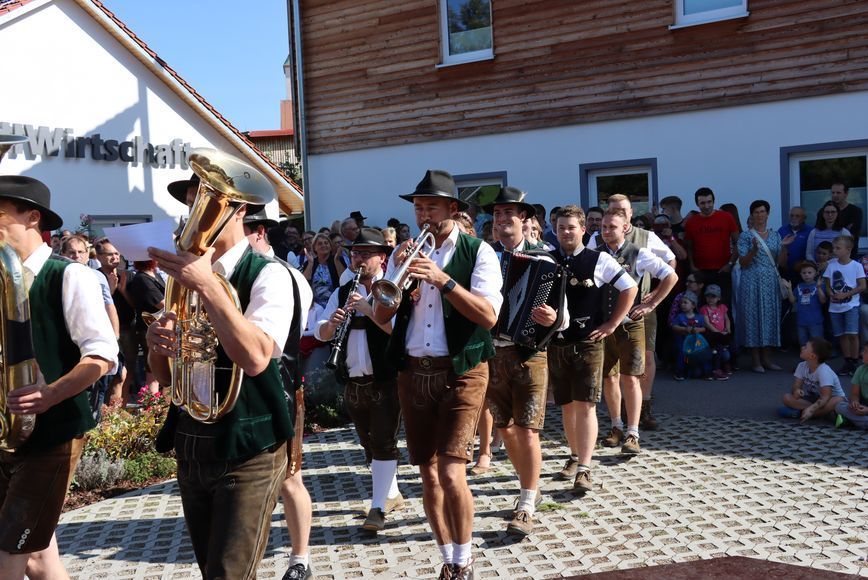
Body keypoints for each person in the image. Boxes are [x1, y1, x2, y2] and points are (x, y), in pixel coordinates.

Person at [147, 167, 295, 579]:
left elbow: (256, 358)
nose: (194, 216)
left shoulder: (269, 273)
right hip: (193, 443)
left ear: (240, 210)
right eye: (192, 204)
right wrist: (156, 344)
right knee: (213, 570)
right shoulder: (181, 280)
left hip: (248, 446)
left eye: (206, 203)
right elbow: (164, 375)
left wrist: (209, 286)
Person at [372, 170, 502, 579]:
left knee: (450, 471)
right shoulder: (405, 254)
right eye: (418, 207)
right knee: (427, 473)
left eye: (431, 207)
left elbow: (488, 316)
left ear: (452, 209)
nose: (423, 215)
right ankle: (447, 557)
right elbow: (381, 315)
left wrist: (443, 281)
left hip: (462, 371)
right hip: (413, 372)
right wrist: (396, 276)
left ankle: (465, 560)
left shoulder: (479, 252)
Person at [0, 176, 117, 580]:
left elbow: (102, 355)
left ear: (33, 218)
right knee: (38, 558)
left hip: (53, 433)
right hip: (7, 433)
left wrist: (50, 394)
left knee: (8, 553)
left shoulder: (69, 275)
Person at [483, 187, 565, 536]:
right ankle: (529, 483)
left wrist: (552, 318)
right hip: (492, 353)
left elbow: (562, 318)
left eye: (508, 214)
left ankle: (527, 503)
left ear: (524, 219)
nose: (502, 219)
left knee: (528, 430)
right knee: (505, 428)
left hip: (529, 353)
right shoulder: (484, 258)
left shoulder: (544, 260)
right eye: (497, 214)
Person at [316, 228, 404, 534]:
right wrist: (331, 325)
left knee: (383, 441)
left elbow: (398, 331)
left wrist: (369, 310)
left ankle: (377, 507)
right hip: (353, 380)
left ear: (382, 258)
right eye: (355, 254)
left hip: (384, 378)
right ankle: (391, 493)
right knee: (368, 443)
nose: (359, 259)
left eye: (366, 254)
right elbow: (320, 332)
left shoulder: (392, 287)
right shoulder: (343, 291)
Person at [242, 208, 315, 580]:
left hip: (280, 386)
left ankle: (300, 559)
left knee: (289, 477)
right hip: (239, 392)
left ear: (258, 232)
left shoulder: (284, 275)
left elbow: (287, 337)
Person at [548, 205, 636, 493]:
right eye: (561, 227)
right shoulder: (547, 259)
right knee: (566, 406)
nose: (565, 232)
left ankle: (585, 468)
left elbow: (630, 288)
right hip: (557, 343)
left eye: (571, 227)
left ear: (583, 230)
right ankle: (574, 456)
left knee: (585, 405)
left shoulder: (599, 259)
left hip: (588, 342)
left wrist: (612, 323)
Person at [591, 195, 676, 431]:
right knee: (609, 374)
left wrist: (653, 301)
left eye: (612, 226)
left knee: (637, 368)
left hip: (634, 316)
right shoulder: (595, 248)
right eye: (604, 226)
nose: (606, 230)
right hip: (605, 319)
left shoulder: (643, 243)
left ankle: (637, 421)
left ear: (627, 221)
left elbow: (671, 269)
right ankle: (617, 423)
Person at [60, 235, 120, 419]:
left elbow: (108, 305)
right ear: (63, 254)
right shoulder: (58, 274)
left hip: (96, 339)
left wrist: (115, 337)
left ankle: (97, 419)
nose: (77, 256)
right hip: (69, 339)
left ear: (87, 254)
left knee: (100, 385)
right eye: (72, 252)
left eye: (80, 252)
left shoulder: (97, 276)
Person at [737, 200, 788, 374]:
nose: (759, 215)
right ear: (752, 215)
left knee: (769, 317)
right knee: (753, 317)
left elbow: (781, 263)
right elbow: (743, 263)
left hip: (770, 281)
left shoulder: (776, 236)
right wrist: (753, 250)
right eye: (756, 212)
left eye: (762, 211)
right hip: (751, 281)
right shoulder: (745, 236)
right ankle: (755, 360)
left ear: (767, 214)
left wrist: (784, 248)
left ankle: (767, 359)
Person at [95, 239, 135, 404]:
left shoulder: (127, 275)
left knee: (128, 371)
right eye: (109, 254)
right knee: (112, 373)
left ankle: (121, 408)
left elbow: (137, 305)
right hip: (106, 331)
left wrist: (123, 291)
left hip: (129, 329)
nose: (115, 258)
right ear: (99, 256)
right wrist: (110, 291)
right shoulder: (94, 276)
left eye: (117, 254)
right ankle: (107, 408)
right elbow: (96, 305)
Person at [684, 187, 740, 308]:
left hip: (722, 270)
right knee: (700, 306)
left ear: (714, 201)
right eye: (702, 203)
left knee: (723, 306)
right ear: (697, 204)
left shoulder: (726, 217)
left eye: (709, 202)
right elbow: (689, 247)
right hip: (700, 272)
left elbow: (738, 242)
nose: (707, 206)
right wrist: (692, 266)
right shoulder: (691, 222)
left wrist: (730, 264)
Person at [822, 235, 866, 375]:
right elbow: (827, 283)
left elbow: (862, 286)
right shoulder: (831, 265)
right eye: (834, 248)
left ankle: (854, 361)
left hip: (851, 305)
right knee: (841, 335)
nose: (834, 250)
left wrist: (846, 295)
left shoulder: (856, 266)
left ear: (848, 249)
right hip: (835, 307)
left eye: (838, 248)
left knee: (852, 334)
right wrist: (830, 294)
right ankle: (847, 362)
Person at [779, 337, 845, 422]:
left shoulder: (824, 371)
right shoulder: (801, 366)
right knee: (786, 398)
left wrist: (811, 409)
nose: (802, 347)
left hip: (830, 399)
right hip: (815, 399)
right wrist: (796, 391)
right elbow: (796, 385)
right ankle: (822, 413)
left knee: (838, 400)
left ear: (812, 356)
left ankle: (807, 413)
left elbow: (826, 396)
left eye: (805, 347)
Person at [127, 259, 165, 393]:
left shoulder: (154, 275)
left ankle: (157, 403)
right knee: (153, 372)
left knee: (161, 372)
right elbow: (162, 303)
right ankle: (152, 404)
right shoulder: (142, 279)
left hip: (159, 327)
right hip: (149, 328)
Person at [670, 291, 712, 381]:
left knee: (703, 352)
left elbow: (704, 328)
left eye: (685, 302)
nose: (682, 305)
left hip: (697, 341)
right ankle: (680, 371)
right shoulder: (679, 317)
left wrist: (698, 330)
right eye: (681, 303)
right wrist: (684, 329)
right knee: (682, 353)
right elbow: (674, 326)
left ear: (693, 305)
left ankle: (707, 372)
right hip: (683, 340)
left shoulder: (699, 317)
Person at [785, 261, 826, 348]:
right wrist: (789, 289)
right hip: (801, 321)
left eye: (809, 272)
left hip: (815, 321)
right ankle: (805, 356)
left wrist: (818, 288)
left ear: (816, 273)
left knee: (817, 344)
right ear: (800, 274)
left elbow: (823, 301)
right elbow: (792, 301)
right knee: (803, 344)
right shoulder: (799, 286)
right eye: (804, 273)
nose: (806, 275)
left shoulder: (819, 285)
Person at [817, 181, 862, 258]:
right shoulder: (823, 211)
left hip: (847, 257)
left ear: (846, 194)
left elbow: (851, 237)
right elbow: (819, 231)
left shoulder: (855, 211)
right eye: (833, 192)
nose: (835, 195)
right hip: (824, 257)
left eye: (838, 193)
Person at [700, 284, 732, 379]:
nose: (710, 299)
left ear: (719, 298)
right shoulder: (704, 308)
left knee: (732, 346)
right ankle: (716, 369)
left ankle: (729, 364)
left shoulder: (722, 307)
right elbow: (707, 323)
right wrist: (718, 332)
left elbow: (727, 319)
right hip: (712, 334)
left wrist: (728, 329)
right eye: (708, 296)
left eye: (713, 296)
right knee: (718, 348)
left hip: (723, 333)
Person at [303, 232, 341, 308]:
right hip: (315, 306)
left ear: (330, 246)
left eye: (326, 243)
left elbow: (344, 280)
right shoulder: (310, 262)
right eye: (320, 244)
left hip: (334, 304)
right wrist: (310, 263)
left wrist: (337, 260)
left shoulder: (337, 260)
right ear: (314, 248)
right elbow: (304, 281)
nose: (324, 245)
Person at [835, 344, 868, 430]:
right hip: (863, 405)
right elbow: (854, 393)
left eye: (865, 351)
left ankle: (852, 420)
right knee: (839, 406)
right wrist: (855, 402)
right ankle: (861, 422)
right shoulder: (861, 369)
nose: (861, 354)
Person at [778, 206, 814, 281]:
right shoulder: (782, 230)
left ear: (804, 218)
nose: (794, 218)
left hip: (804, 272)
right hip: (785, 270)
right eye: (792, 215)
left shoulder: (811, 231)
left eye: (797, 216)